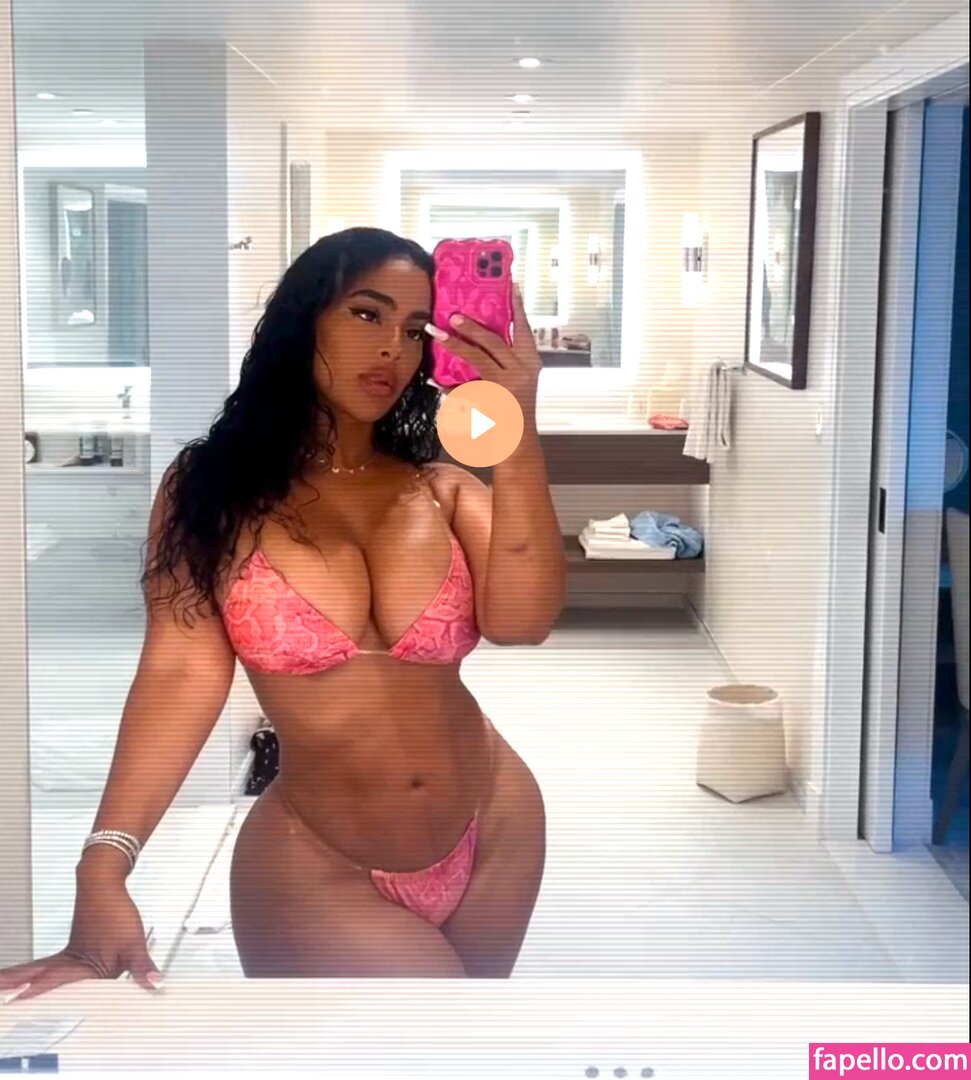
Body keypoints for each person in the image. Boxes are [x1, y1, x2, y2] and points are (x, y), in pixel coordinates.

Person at [0, 227, 566, 1001]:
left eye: (414, 329)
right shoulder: (214, 492)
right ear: (303, 320)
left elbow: (522, 621)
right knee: (429, 1040)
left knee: (465, 1042)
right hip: (319, 861)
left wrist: (514, 426)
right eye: (366, 314)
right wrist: (104, 864)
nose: (391, 348)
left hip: (495, 821)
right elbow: (178, 674)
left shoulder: (440, 488)